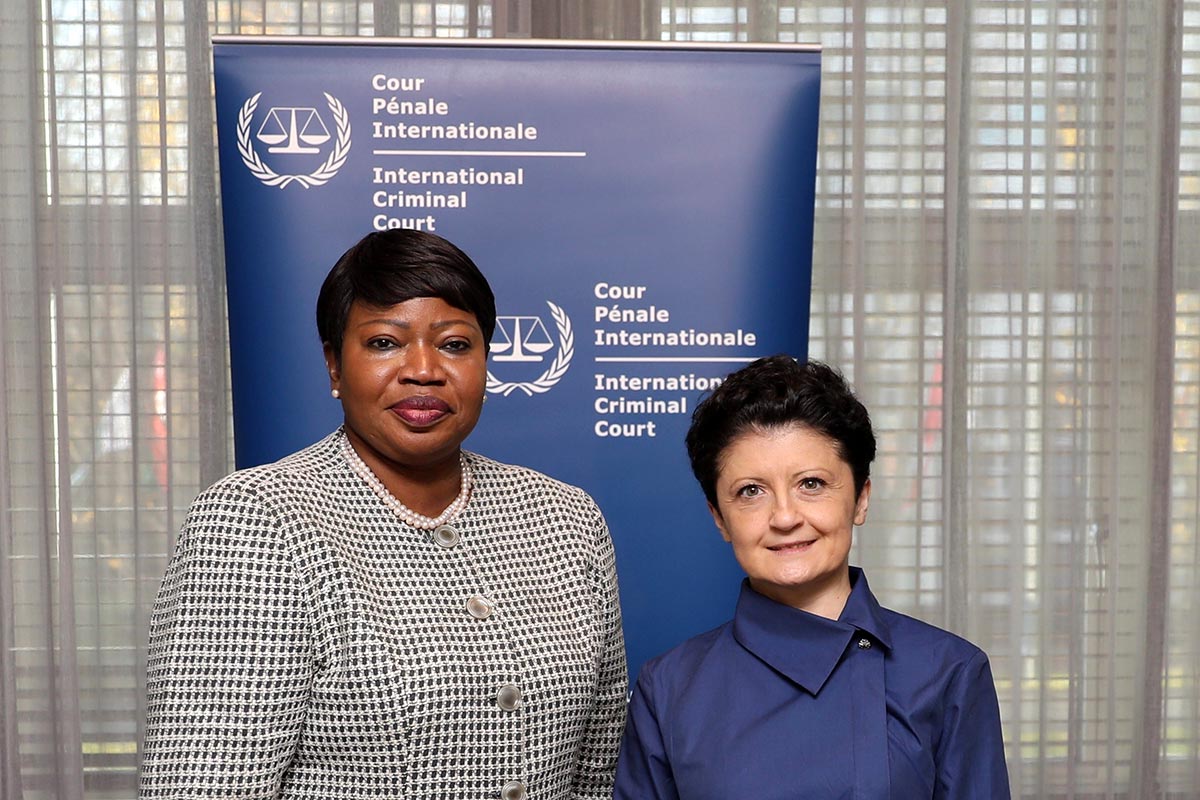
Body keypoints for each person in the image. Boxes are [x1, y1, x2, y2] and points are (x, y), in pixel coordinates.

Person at [140, 229, 627, 800]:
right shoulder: (256, 522)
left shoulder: (566, 519)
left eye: (454, 344)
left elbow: (596, 773)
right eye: (384, 343)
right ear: (334, 367)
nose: (423, 370)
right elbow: (204, 787)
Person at [613, 355, 1010, 799]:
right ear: (719, 519)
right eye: (751, 491)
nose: (784, 516)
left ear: (861, 498)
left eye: (812, 484)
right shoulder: (668, 688)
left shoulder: (949, 671)